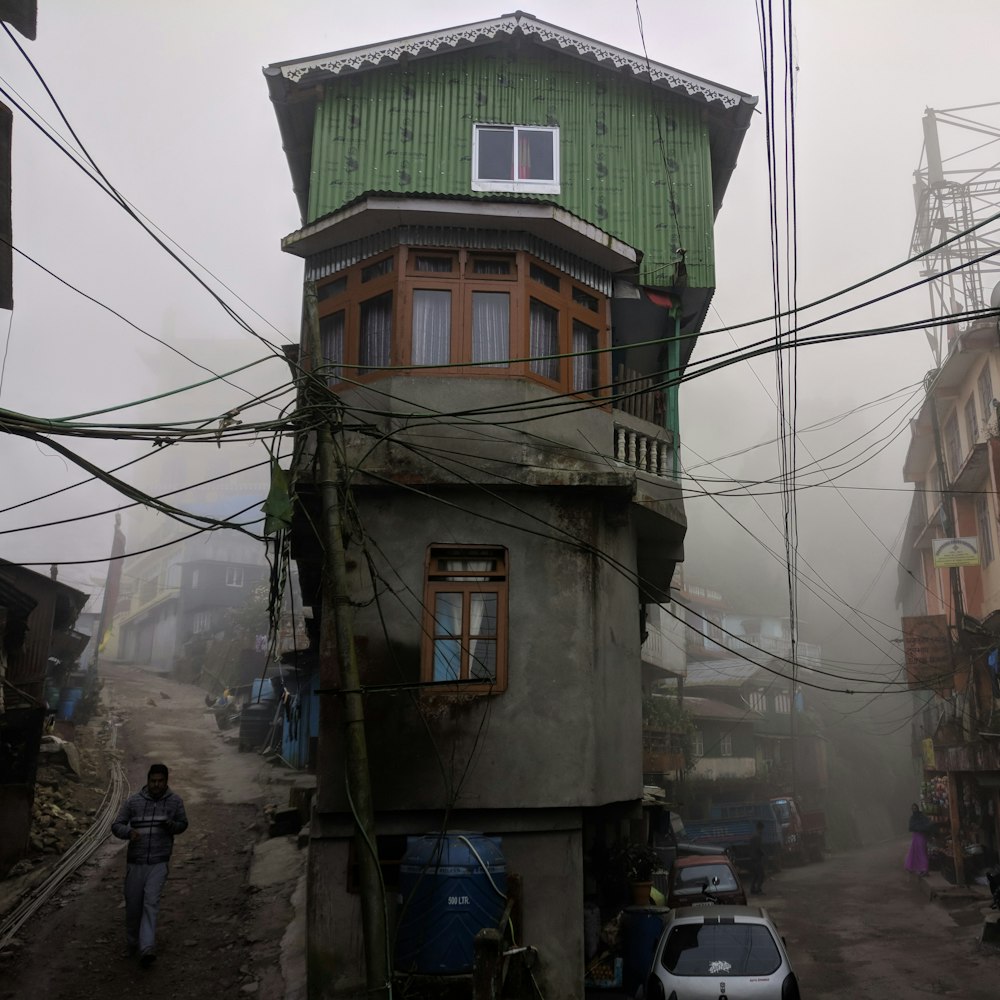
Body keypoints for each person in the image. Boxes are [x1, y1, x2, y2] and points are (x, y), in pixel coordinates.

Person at [111, 763, 189, 966]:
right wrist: (129, 833)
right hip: (135, 863)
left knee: (151, 903)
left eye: (160, 781)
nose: (156, 785)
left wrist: (172, 826)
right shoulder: (133, 802)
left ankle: (147, 948)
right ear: (147, 781)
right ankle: (132, 943)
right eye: (153, 781)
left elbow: (183, 824)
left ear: (166, 781)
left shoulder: (175, 802)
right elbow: (116, 825)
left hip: (159, 861)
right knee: (134, 907)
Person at [905, 802, 933, 876]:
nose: (914, 809)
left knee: (922, 852)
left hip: (921, 836)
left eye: (915, 808)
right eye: (913, 808)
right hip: (916, 836)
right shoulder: (913, 818)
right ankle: (920, 868)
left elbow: (927, 825)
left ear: (917, 808)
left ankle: (924, 869)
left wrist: (922, 829)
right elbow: (911, 827)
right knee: (916, 852)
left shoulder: (922, 816)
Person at [749, 820, 766, 895]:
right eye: (762, 829)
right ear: (760, 828)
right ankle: (758, 889)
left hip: (753, 858)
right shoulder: (758, 837)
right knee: (761, 875)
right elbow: (758, 848)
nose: (762, 831)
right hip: (757, 858)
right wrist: (764, 854)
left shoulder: (753, 836)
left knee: (756, 875)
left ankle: (752, 889)